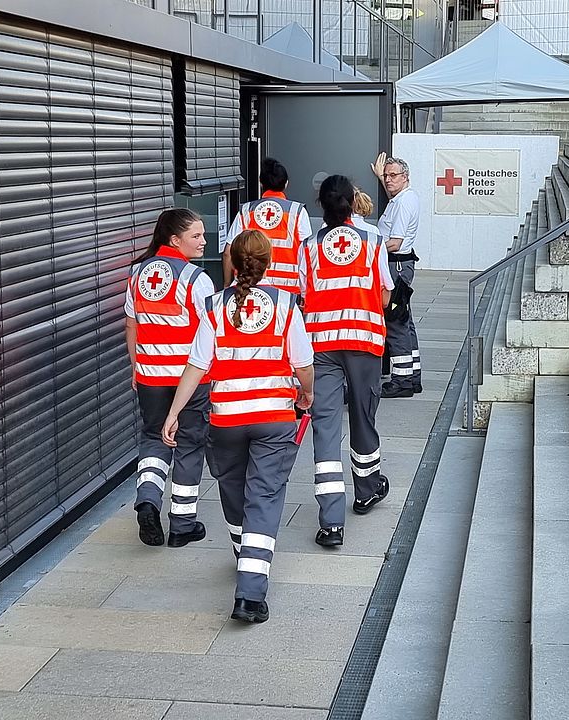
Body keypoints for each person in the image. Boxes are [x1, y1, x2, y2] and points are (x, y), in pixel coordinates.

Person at [161, 229, 314, 624]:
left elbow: (197, 365)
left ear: (231, 262)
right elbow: (303, 364)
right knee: (263, 496)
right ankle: (250, 592)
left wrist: (174, 412)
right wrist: (307, 393)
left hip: (226, 419)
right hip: (273, 419)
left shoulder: (214, 306)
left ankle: (243, 552)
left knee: (232, 491)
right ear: (268, 263)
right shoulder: (285, 304)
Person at [300, 175, 394, 548]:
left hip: (321, 346)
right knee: (362, 415)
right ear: (353, 202)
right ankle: (367, 489)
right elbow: (385, 296)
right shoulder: (373, 240)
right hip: (364, 342)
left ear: (321, 206)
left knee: (324, 429)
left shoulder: (309, 247)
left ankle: (331, 523)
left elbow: (304, 296)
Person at [124, 208, 213, 548]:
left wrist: (137, 366)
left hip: (150, 377)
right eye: (196, 236)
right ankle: (182, 524)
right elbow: (211, 331)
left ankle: (148, 499)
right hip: (189, 379)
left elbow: (131, 324)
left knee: (153, 439)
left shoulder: (137, 273)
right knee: (188, 444)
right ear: (175, 240)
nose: (203, 242)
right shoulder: (195, 278)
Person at [371, 153, 422, 398]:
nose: (389, 180)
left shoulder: (403, 203)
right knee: (404, 319)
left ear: (406, 177)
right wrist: (381, 178)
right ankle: (412, 376)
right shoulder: (403, 197)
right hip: (400, 265)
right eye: (386, 175)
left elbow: (395, 242)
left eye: (393, 175)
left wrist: (368, 248)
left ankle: (401, 381)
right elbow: (392, 193)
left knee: (395, 321)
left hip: (396, 267)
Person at [223, 157, 312, 294]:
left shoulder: (246, 211)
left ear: (261, 183)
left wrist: (227, 285)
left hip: (247, 288)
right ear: (286, 183)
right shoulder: (297, 212)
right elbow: (307, 253)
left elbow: (228, 252)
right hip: (288, 291)